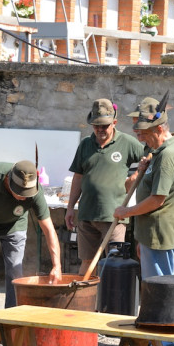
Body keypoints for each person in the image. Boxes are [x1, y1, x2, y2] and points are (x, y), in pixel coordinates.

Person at [114, 95, 174, 346]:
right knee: (156, 287)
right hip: (152, 233)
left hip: (159, 231)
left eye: (146, 132)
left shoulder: (169, 155)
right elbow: (144, 189)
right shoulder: (162, 153)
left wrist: (126, 211)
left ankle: (164, 344)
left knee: (159, 290)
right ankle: (159, 341)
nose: (142, 137)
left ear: (160, 128)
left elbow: (157, 199)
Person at [0, 160, 63, 343]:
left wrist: (57, 265)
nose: (23, 197)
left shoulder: (36, 191)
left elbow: (48, 229)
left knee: (15, 273)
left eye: (27, 194)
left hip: (14, 227)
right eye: (19, 193)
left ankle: (10, 324)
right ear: (8, 180)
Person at [65, 98, 145, 275]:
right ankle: (86, 300)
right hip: (87, 214)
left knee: (114, 263)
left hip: (114, 216)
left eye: (104, 126)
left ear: (114, 122)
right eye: (96, 126)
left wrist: (135, 176)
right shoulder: (86, 144)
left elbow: (150, 158)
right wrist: (70, 207)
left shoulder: (127, 143)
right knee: (87, 261)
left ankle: (111, 301)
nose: (100, 130)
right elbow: (78, 177)